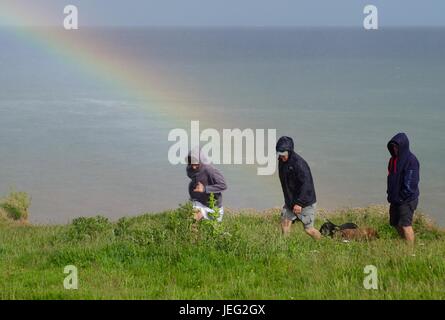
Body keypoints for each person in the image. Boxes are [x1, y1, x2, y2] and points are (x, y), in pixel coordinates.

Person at [276, 136, 321, 239]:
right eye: (279, 154)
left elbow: (307, 185)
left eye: (283, 154)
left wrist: (299, 203)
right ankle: (285, 247)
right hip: (291, 202)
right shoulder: (282, 161)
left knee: (309, 230)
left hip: (305, 202)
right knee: (285, 223)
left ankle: (321, 243)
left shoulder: (300, 164)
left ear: (290, 151)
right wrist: (289, 201)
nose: (281, 156)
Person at [387, 133, 420, 244]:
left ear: (403, 147)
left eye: (397, 147)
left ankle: (410, 251)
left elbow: (411, 183)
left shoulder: (411, 161)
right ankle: (405, 242)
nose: (395, 149)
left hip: (407, 199)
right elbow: (390, 177)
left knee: (406, 225)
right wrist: (390, 194)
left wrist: (401, 197)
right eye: (393, 147)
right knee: (395, 223)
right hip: (395, 199)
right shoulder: (392, 160)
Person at [186, 149, 227, 222]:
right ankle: (194, 231)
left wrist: (205, 189)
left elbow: (223, 185)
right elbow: (194, 180)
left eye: (196, 164)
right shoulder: (189, 169)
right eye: (191, 164)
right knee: (194, 221)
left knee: (214, 229)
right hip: (198, 201)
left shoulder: (210, 170)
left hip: (214, 204)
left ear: (201, 160)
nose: (194, 167)